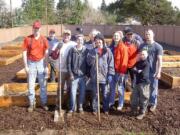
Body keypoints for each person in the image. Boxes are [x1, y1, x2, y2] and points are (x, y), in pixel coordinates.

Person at [22, 20, 49, 112]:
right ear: (32, 28)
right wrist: (26, 66)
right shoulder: (27, 39)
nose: (36, 30)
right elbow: (24, 53)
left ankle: (43, 103)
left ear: (40, 28)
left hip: (41, 63)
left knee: (43, 84)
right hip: (31, 63)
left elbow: (46, 53)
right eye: (34, 28)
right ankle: (31, 103)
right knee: (31, 85)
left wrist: (46, 66)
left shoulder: (44, 39)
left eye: (37, 28)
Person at [87, 33, 115, 115]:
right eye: (96, 41)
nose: (98, 42)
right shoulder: (92, 51)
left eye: (99, 41)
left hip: (104, 76)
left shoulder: (108, 51)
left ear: (102, 41)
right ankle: (95, 109)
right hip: (95, 76)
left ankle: (106, 108)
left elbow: (111, 63)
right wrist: (93, 56)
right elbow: (88, 62)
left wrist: (110, 74)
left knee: (105, 93)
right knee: (95, 94)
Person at [54, 29, 76, 118]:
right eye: (65, 35)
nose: (66, 36)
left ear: (70, 36)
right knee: (60, 88)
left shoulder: (73, 44)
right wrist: (57, 51)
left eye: (68, 35)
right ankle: (59, 105)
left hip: (70, 71)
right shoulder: (59, 44)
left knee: (70, 89)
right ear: (62, 36)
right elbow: (53, 56)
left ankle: (68, 105)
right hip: (62, 70)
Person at [139, 29, 163, 112]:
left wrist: (158, 72)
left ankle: (153, 103)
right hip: (144, 71)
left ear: (153, 35)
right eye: (146, 34)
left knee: (153, 88)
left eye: (149, 34)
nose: (147, 36)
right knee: (144, 88)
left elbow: (160, 60)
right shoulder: (142, 46)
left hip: (153, 72)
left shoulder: (158, 46)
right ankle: (146, 102)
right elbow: (139, 58)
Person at [67, 34, 88, 115]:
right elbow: (68, 63)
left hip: (83, 76)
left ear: (83, 41)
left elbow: (88, 64)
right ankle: (72, 108)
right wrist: (71, 74)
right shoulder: (72, 50)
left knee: (82, 92)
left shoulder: (86, 51)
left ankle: (80, 107)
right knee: (73, 92)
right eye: (78, 40)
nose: (80, 41)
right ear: (76, 41)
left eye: (81, 40)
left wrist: (87, 74)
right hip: (74, 76)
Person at [109, 31, 129, 111]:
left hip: (119, 71)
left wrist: (122, 72)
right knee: (112, 87)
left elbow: (124, 60)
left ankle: (120, 104)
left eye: (117, 36)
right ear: (113, 37)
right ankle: (111, 102)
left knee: (120, 88)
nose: (116, 37)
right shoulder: (111, 46)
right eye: (115, 35)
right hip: (111, 71)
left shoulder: (123, 47)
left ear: (120, 37)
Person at [131, 49, 150, 120]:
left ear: (147, 55)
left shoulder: (147, 64)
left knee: (143, 99)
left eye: (144, 54)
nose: (142, 56)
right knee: (134, 97)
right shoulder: (138, 62)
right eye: (141, 54)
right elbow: (132, 69)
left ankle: (142, 113)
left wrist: (137, 71)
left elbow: (144, 74)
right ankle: (133, 110)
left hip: (144, 84)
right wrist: (138, 71)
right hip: (137, 83)